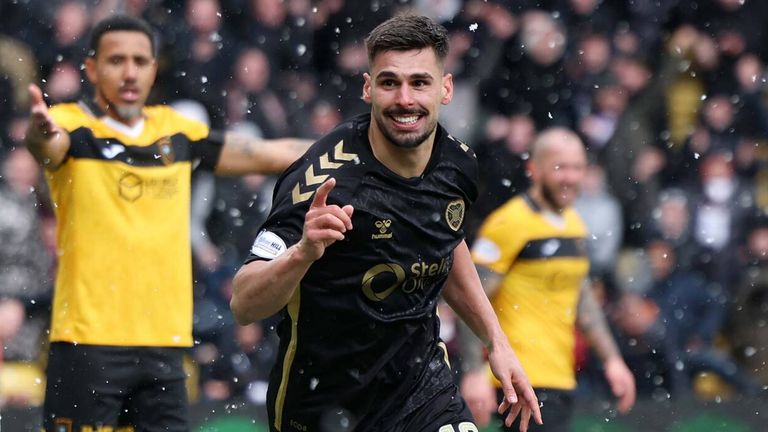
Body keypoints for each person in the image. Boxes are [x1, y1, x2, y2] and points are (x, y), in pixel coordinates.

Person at [230, 14, 542, 432]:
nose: (405, 99)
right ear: (367, 88)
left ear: (445, 88)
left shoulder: (459, 165)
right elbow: (244, 303)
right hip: (326, 403)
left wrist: (496, 342)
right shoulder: (322, 179)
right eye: (390, 82)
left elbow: (447, 243)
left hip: (421, 389)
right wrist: (302, 254)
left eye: (420, 82)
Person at [24, 14, 310, 432]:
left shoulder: (176, 132)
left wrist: (354, 142)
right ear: (91, 68)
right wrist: (38, 132)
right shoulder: (70, 124)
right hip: (88, 343)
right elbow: (48, 145)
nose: (129, 72)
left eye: (140, 61)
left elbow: (263, 152)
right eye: (116, 60)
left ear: (154, 68)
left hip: (166, 346)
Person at [461, 128, 636, 431]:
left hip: (559, 378)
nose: (570, 177)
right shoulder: (509, 223)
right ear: (534, 169)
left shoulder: (572, 223)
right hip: (518, 381)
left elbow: (582, 301)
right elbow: (469, 299)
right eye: (560, 167)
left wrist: (612, 360)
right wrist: (473, 372)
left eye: (577, 167)